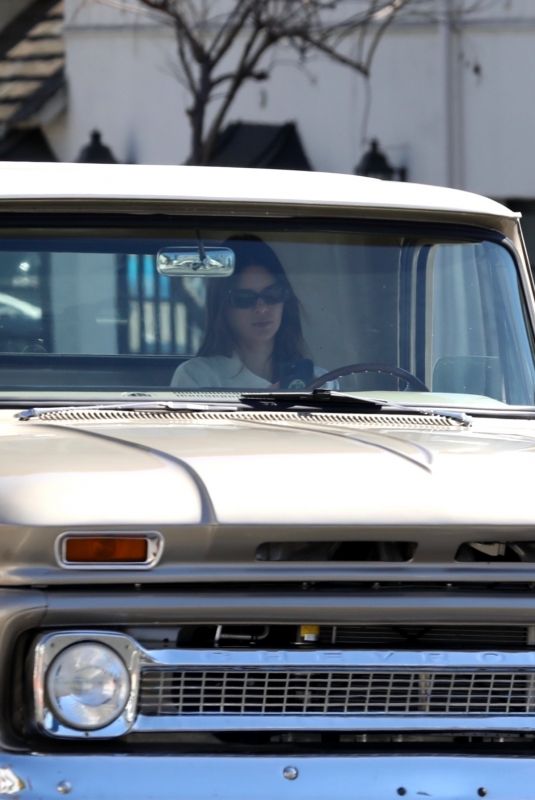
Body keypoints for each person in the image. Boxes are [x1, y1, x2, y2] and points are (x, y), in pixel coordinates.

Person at [171, 235, 321, 390]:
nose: (261, 309)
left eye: (272, 294)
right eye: (244, 298)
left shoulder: (319, 381)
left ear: (285, 298)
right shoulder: (196, 376)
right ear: (223, 308)